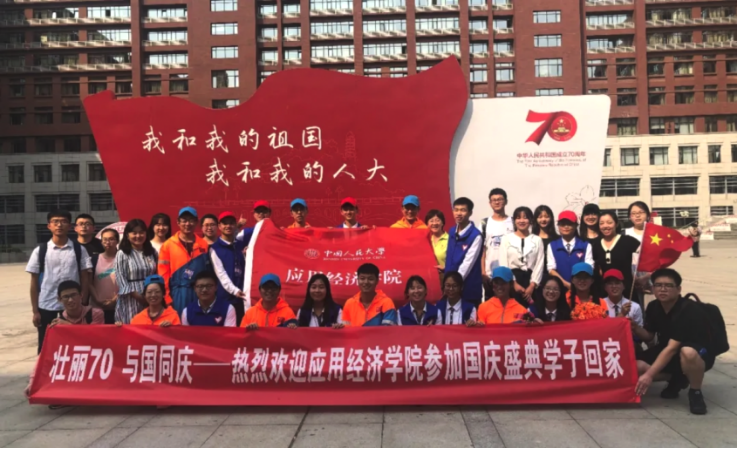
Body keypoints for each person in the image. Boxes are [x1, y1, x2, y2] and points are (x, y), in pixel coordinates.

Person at [632, 268, 714, 415]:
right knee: (634, 366)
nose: (663, 289)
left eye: (668, 285)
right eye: (658, 285)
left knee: (687, 352)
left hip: (696, 354)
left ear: (679, 289)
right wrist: (634, 327)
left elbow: (672, 348)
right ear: (653, 288)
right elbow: (649, 336)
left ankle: (695, 392)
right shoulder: (654, 306)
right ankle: (679, 378)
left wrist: (649, 375)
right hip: (668, 350)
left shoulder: (689, 309)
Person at [27, 210, 93, 354]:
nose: (59, 225)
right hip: (46, 304)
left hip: (73, 305)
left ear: (69, 226)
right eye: (55, 221)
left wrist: (83, 302)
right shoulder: (40, 250)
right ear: (49, 226)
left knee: (73, 343)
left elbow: (84, 278)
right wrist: (35, 311)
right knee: (45, 345)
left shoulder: (79, 249)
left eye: (63, 221)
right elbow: (34, 282)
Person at [24, 280, 104, 398]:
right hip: (73, 363)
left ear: (81, 295)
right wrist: (32, 382)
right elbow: (45, 355)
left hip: (93, 359)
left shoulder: (95, 314)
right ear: (59, 300)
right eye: (66, 297)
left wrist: (69, 327)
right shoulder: (57, 324)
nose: (70, 300)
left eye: (73, 295)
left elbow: (94, 338)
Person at [158, 207, 210, 315]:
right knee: (179, 323)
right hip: (178, 293)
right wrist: (166, 297)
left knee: (200, 322)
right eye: (184, 220)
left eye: (191, 220)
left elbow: (207, 271)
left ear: (196, 222)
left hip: (200, 292)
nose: (187, 224)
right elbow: (163, 274)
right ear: (178, 222)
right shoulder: (168, 245)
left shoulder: (203, 244)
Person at [115, 219, 158, 324]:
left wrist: (151, 295)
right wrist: (138, 296)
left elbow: (157, 273)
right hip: (131, 297)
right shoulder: (122, 253)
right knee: (132, 324)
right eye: (134, 233)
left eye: (141, 232)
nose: (138, 236)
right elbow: (120, 277)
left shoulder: (152, 252)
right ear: (127, 235)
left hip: (151, 296)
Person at [499, 207, 545, 303]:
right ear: (514, 221)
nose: (522, 221)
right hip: (511, 280)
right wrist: (513, 283)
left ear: (531, 220)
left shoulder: (537, 240)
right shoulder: (506, 239)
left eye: (525, 217)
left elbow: (539, 263)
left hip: (531, 279)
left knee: (531, 310)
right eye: (518, 218)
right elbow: (503, 263)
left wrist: (532, 285)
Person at [210, 211, 248, 325]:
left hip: (242, 298)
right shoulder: (215, 248)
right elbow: (221, 274)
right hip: (225, 298)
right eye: (225, 223)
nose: (228, 226)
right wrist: (234, 290)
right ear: (219, 226)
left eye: (231, 223)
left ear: (235, 225)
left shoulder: (241, 245)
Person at [593, 211, 641, 298]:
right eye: (601, 223)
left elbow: (648, 255)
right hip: (604, 292)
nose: (605, 226)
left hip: (627, 291)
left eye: (609, 222)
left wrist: (645, 277)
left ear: (616, 224)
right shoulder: (595, 244)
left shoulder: (628, 241)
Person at [445, 198, 484, 306]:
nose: (458, 213)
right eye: (456, 210)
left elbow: (467, 263)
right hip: (451, 289)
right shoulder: (452, 231)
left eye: (463, 210)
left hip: (468, 290)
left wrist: (453, 284)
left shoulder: (476, 235)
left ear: (470, 213)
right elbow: (450, 256)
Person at [481, 188, 515, 299]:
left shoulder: (514, 222)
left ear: (506, 201)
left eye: (500, 199)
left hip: (510, 275)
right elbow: (482, 250)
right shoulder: (484, 223)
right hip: (490, 276)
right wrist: (483, 272)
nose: (497, 202)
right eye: (494, 200)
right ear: (490, 203)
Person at [547, 211, 594, 291]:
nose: (566, 227)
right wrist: (566, 284)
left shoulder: (585, 245)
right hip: (560, 289)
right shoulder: (552, 245)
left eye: (569, 224)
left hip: (581, 289)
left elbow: (589, 267)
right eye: (562, 224)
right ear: (558, 226)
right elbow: (551, 269)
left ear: (576, 226)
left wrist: (577, 285)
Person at [625, 201, 653, 306]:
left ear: (647, 215)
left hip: (651, 276)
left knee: (651, 308)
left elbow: (661, 258)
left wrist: (647, 277)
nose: (637, 215)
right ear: (629, 217)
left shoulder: (655, 233)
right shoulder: (624, 234)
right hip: (631, 276)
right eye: (633, 213)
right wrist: (633, 278)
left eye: (641, 212)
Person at [90, 228, 119, 325]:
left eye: (111, 239)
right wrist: (97, 300)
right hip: (97, 308)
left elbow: (127, 282)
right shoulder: (94, 259)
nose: (108, 242)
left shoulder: (123, 259)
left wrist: (115, 300)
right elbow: (89, 282)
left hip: (118, 307)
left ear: (117, 241)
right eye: (105, 239)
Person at [533, 205, 559, 272]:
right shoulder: (531, 239)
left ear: (551, 218)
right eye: (540, 217)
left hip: (554, 273)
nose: (543, 219)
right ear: (535, 219)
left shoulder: (558, 239)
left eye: (546, 217)